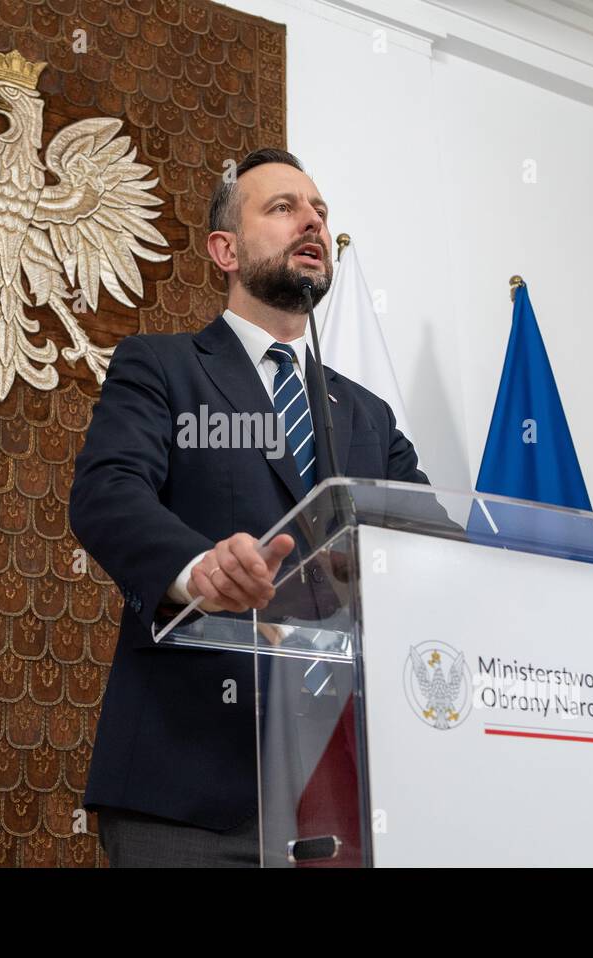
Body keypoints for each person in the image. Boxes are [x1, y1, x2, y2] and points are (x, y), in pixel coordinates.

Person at [69, 148, 434, 866]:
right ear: (224, 249)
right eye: (284, 207)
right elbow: (107, 492)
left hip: (347, 798)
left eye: (320, 211)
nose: (313, 223)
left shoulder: (369, 416)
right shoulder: (162, 367)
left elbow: (429, 544)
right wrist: (197, 566)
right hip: (190, 794)